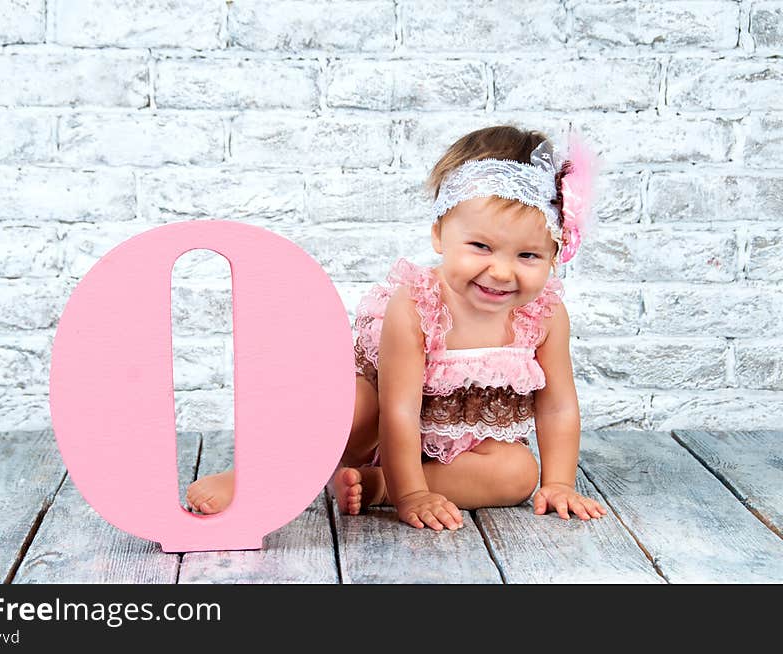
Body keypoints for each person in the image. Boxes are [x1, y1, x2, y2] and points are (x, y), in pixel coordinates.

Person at [186, 124, 607, 532]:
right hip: (376, 426)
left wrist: (558, 483)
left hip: (453, 448)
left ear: (554, 254)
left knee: (517, 473)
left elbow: (557, 407)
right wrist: (413, 496)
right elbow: (400, 409)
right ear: (440, 234)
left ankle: (379, 486)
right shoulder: (417, 304)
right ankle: (256, 475)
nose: (500, 271)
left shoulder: (543, 316)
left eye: (529, 255)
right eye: (481, 246)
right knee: (353, 407)